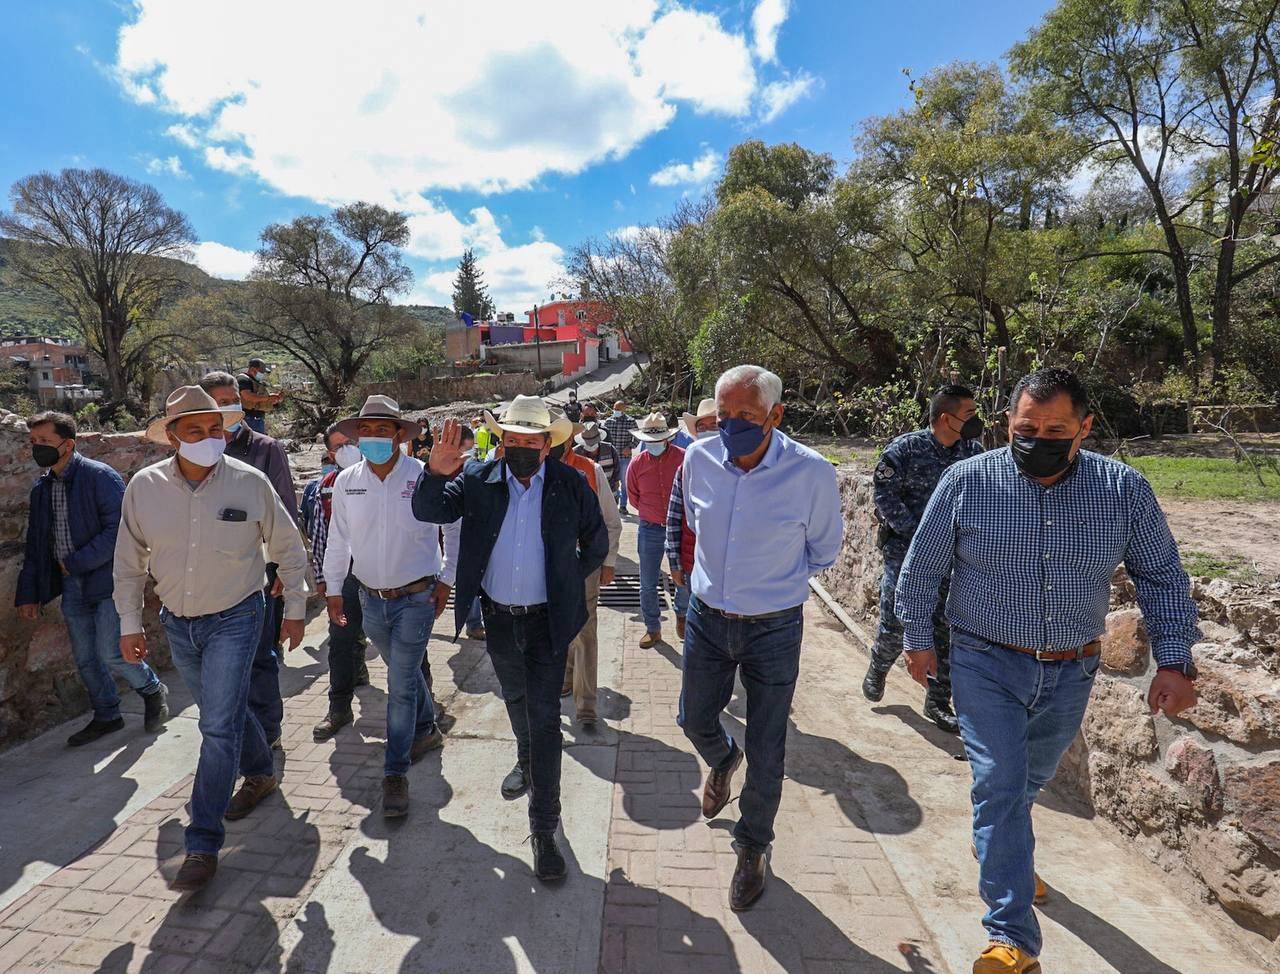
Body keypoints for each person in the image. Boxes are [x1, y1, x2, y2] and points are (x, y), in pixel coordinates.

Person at [895, 367, 1200, 974]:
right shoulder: (967, 481)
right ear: (1008, 423)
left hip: (1071, 670)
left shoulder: (1123, 491)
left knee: (1023, 785)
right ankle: (1012, 939)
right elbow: (922, 568)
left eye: (1055, 428)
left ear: (1085, 428)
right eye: (1025, 427)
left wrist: (1176, 660)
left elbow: (1162, 576)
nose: (1037, 438)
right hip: (985, 660)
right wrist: (917, 637)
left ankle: (1010, 852)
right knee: (1000, 785)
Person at [114, 386, 308, 891]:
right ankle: (262, 772)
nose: (207, 438)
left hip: (238, 616)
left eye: (215, 429)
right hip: (179, 621)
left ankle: (201, 841)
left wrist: (297, 610)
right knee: (223, 712)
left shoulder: (251, 481)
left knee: (217, 727)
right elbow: (129, 564)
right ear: (173, 436)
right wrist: (130, 625)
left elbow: (288, 546)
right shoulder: (144, 487)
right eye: (195, 430)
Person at [413, 396, 608, 882]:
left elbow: (597, 540)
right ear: (503, 442)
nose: (521, 448)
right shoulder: (477, 480)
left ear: (547, 445)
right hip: (498, 620)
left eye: (530, 441)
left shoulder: (569, 483)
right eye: (512, 440)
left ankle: (543, 828)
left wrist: (567, 578)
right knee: (515, 697)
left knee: (544, 721)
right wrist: (434, 472)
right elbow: (428, 509)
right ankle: (524, 759)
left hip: (547, 623)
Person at [679, 365, 842, 912]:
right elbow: (699, 530)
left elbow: (823, 550)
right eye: (723, 416)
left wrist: (769, 581)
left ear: (776, 415)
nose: (729, 426)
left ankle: (753, 847)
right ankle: (723, 757)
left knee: (769, 745)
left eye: (745, 416)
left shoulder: (811, 474)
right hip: (707, 618)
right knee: (693, 718)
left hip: (773, 625)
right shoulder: (697, 459)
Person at [322, 396, 446, 820]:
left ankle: (395, 773)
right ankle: (426, 728)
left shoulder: (424, 477)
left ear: (398, 434)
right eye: (367, 431)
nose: (374, 437)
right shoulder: (346, 481)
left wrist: (447, 579)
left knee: (399, 685)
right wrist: (334, 588)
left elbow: (454, 527)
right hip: (369, 598)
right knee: (405, 673)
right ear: (357, 436)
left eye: (383, 430)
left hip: (416, 596)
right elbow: (338, 539)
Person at [16, 412, 169, 746]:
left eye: (44, 441)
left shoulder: (100, 477)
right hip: (72, 586)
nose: (36, 448)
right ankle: (107, 714)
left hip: (109, 582)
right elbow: (37, 546)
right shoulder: (43, 489)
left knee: (112, 652)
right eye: (33, 442)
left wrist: (77, 562)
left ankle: (152, 689)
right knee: (85, 657)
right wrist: (28, 593)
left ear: (68, 445)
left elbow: (119, 530)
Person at [863, 384, 984, 734]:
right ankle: (879, 665)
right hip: (906, 550)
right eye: (970, 414)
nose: (976, 421)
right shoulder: (905, 449)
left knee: (945, 626)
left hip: (953, 555)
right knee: (896, 619)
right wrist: (922, 535)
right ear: (946, 418)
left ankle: (937, 701)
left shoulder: (972, 453)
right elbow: (884, 497)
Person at [200, 372, 300, 752]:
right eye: (221, 401)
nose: (230, 408)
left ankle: (268, 733)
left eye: (234, 401)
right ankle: (232, 733)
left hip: (256, 575)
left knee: (260, 658)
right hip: (209, 577)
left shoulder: (264, 448)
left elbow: (285, 511)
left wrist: (281, 570)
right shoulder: (192, 451)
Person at [554, 417, 621, 731]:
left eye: (560, 439)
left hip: (584, 566)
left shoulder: (590, 471)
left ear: (570, 441)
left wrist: (608, 561)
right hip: (546, 568)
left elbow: (611, 520)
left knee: (585, 632)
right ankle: (565, 678)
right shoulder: (529, 472)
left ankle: (586, 706)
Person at [306, 424, 371, 742]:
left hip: (387, 573)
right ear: (331, 454)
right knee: (342, 640)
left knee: (404, 644)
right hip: (346, 574)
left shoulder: (386, 477)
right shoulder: (327, 486)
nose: (348, 448)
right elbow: (321, 534)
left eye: (352, 442)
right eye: (340, 446)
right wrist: (324, 578)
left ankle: (425, 708)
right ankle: (339, 707)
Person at [627, 413, 687, 647]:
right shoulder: (637, 464)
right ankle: (653, 628)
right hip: (649, 528)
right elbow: (634, 497)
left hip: (679, 528)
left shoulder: (684, 459)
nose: (653, 445)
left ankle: (682, 615)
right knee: (647, 582)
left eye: (657, 440)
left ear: (667, 438)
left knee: (683, 578)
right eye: (649, 441)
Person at [665, 398, 718, 621]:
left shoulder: (746, 469)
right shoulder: (686, 468)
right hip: (692, 560)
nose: (707, 431)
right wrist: (675, 563)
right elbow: (674, 518)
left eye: (713, 425)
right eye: (701, 427)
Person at [602, 400, 637, 513]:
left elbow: (637, 437)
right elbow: (603, 437)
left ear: (624, 409)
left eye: (618, 409)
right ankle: (613, 504)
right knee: (611, 482)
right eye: (615, 408)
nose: (616, 411)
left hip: (624, 458)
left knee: (624, 482)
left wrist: (630, 446)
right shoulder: (608, 421)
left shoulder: (630, 421)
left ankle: (623, 505)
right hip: (610, 458)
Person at [235, 358, 284, 434]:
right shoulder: (243, 379)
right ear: (252, 369)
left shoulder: (257, 382)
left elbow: (261, 400)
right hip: (248, 418)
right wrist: (268, 397)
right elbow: (248, 396)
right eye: (261, 371)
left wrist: (275, 399)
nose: (262, 374)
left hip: (257, 419)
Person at [574, 421, 620, 495]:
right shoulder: (575, 452)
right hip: (585, 493)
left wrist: (616, 483)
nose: (591, 445)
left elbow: (617, 469)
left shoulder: (610, 449)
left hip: (608, 489)